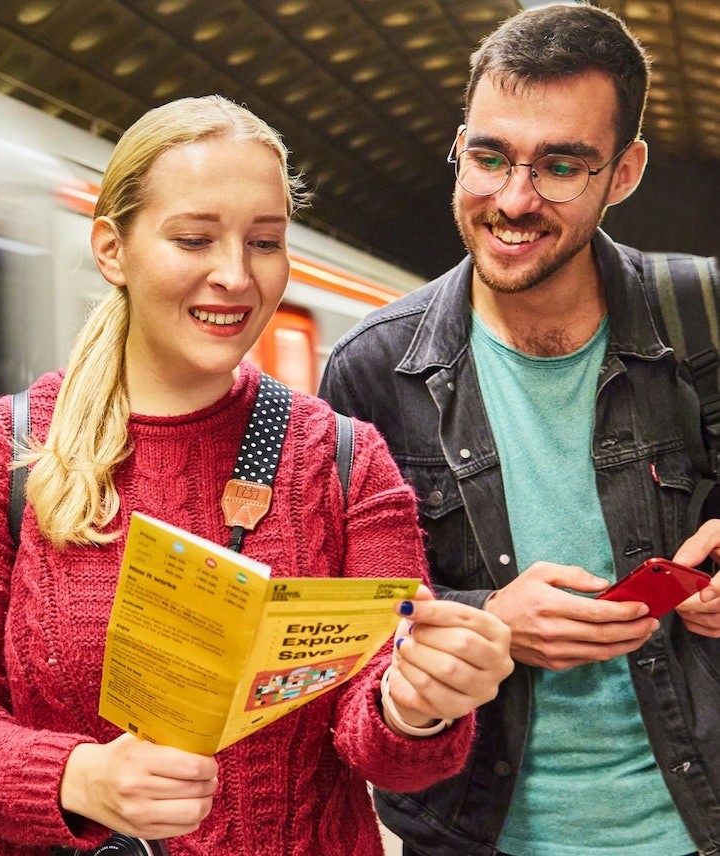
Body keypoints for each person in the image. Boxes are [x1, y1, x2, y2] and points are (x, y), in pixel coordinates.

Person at [0, 94, 513, 856]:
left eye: (263, 242)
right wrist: (79, 779)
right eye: (193, 239)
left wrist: (418, 704)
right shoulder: (3, 452)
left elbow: (379, 732)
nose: (234, 275)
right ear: (111, 250)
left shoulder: (346, 459)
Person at [317, 5, 720, 856]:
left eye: (562, 166)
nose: (514, 199)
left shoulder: (706, 317)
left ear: (625, 171)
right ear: (459, 147)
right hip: (474, 835)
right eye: (490, 157)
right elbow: (332, 628)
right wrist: (487, 615)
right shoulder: (372, 371)